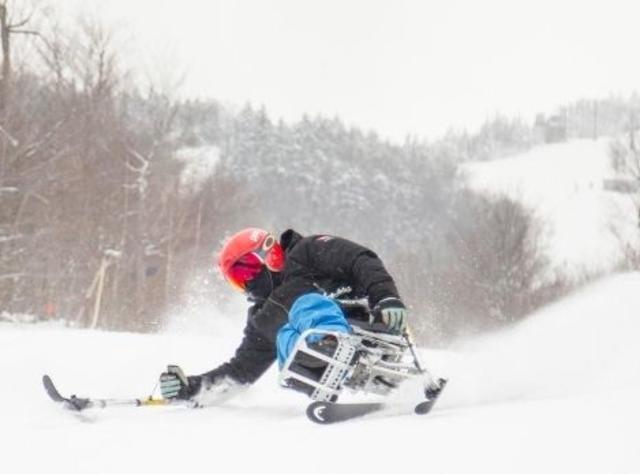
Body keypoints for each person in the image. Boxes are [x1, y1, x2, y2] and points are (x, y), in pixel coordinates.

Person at [159, 228, 408, 404]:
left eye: (245, 273)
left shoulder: (309, 252)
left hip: (362, 319)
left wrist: (385, 296)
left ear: (266, 257)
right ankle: (320, 369)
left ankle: (330, 344)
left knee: (300, 302)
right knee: (282, 335)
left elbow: (359, 259)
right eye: (237, 282)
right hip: (320, 355)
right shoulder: (262, 318)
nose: (246, 285)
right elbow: (240, 372)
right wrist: (189, 389)